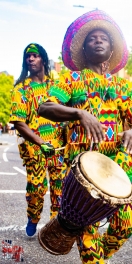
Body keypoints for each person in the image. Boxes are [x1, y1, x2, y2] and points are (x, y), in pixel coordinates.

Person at [38, 10, 132, 264]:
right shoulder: (72, 80)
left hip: (119, 169)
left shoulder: (122, 86)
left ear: (111, 49)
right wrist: (78, 113)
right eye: (92, 38)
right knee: (89, 244)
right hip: (83, 175)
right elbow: (45, 107)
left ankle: (98, 256)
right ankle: (93, 257)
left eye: (104, 38)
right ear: (84, 50)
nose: (98, 40)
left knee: (126, 227)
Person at [9, 43, 66, 237]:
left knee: (60, 190)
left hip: (58, 147)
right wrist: (41, 143)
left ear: (43, 58)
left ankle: (54, 227)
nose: (31, 59)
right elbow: (18, 122)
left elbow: (68, 106)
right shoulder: (21, 89)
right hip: (35, 149)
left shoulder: (55, 85)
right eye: (28, 57)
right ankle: (33, 218)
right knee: (36, 190)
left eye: (35, 56)